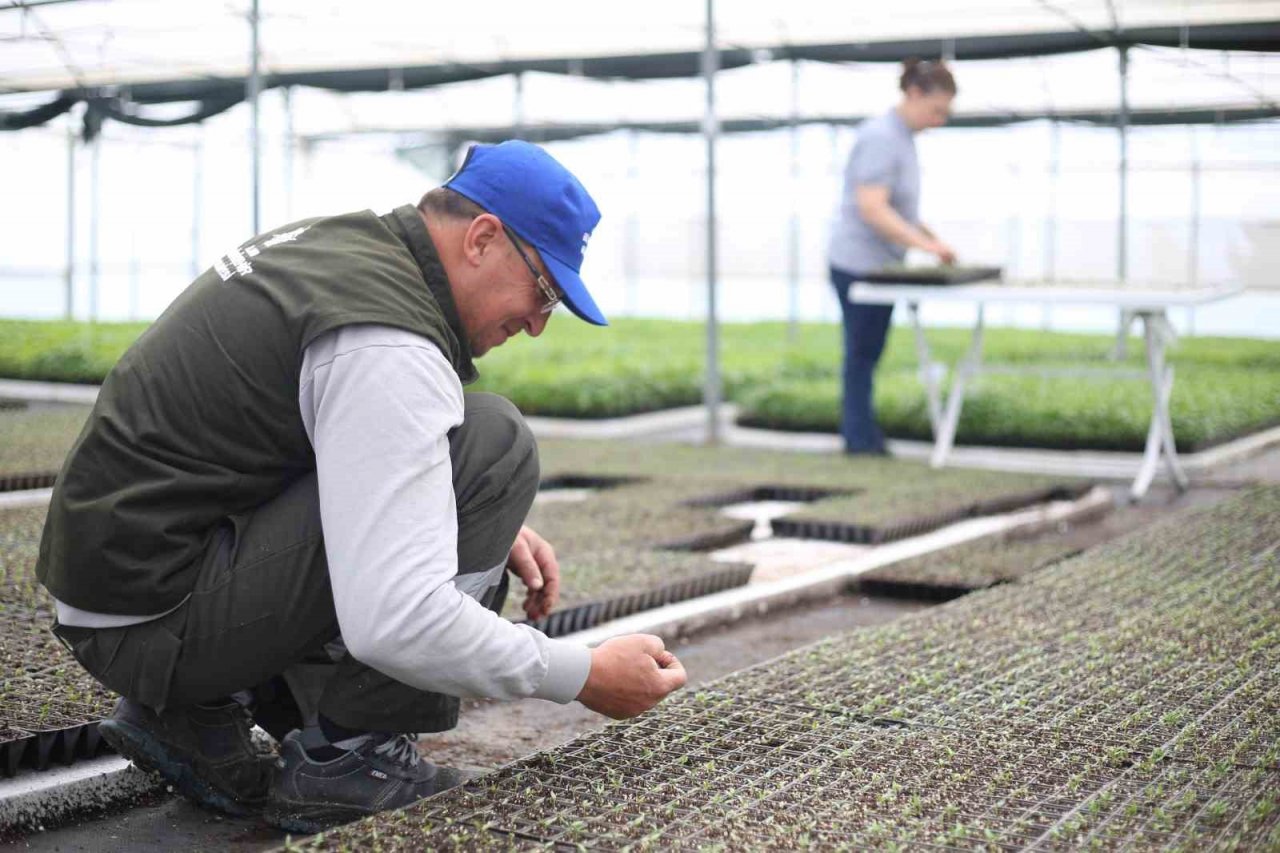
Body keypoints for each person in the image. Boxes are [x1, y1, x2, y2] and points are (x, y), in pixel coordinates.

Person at [36, 140, 687, 833]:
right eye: (544, 291)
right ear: (483, 238)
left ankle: (191, 711)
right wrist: (581, 672)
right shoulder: (388, 338)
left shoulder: (349, 250)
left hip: (124, 589)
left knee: (458, 460)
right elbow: (398, 618)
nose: (535, 322)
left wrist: (442, 506)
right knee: (493, 444)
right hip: (156, 618)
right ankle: (352, 758)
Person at [827, 58, 958, 455]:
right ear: (913, 94)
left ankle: (863, 434)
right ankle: (859, 439)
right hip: (859, 265)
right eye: (936, 110)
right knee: (861, 354)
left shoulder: (902, 138)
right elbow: (873, 207)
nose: (939, 120)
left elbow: (902, 210)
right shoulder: (882, 136)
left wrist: (932, 238)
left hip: (880, 265)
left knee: (867, 353)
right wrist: (925, 246)